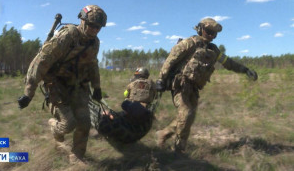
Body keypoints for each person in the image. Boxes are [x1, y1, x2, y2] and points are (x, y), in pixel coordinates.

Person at [17, 5, 107, 163]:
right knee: (69, 123)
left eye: (98, 27)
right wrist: (28, 93)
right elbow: (41, 62)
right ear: (82, 21)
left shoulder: (94, 43)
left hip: (79, 86)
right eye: (92, 25)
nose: (94, 30)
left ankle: (77, 156)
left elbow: (92, 64)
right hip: (57, 85)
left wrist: (97, 87)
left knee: (85, 122)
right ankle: (53, 126)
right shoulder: (67, 36)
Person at [155, 18, 258, 154]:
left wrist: (245, 70)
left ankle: (163, 134)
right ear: (200, 29)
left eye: (214, 34)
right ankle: (178, 151)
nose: (211, 36)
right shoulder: (189, 43)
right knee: (185, 114)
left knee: (188, 117)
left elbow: (229, 63)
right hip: (180, 85)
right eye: (209, 31)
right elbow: (170, 60)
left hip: (194, 88)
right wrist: (161, 79)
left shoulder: (213, 50)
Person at [90, 67, 158, 144]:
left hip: (131, 112)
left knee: (119, 108)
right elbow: (155, 96)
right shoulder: (152, 84)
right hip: (144, 117)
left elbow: (125, 94)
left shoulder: (132, 83)